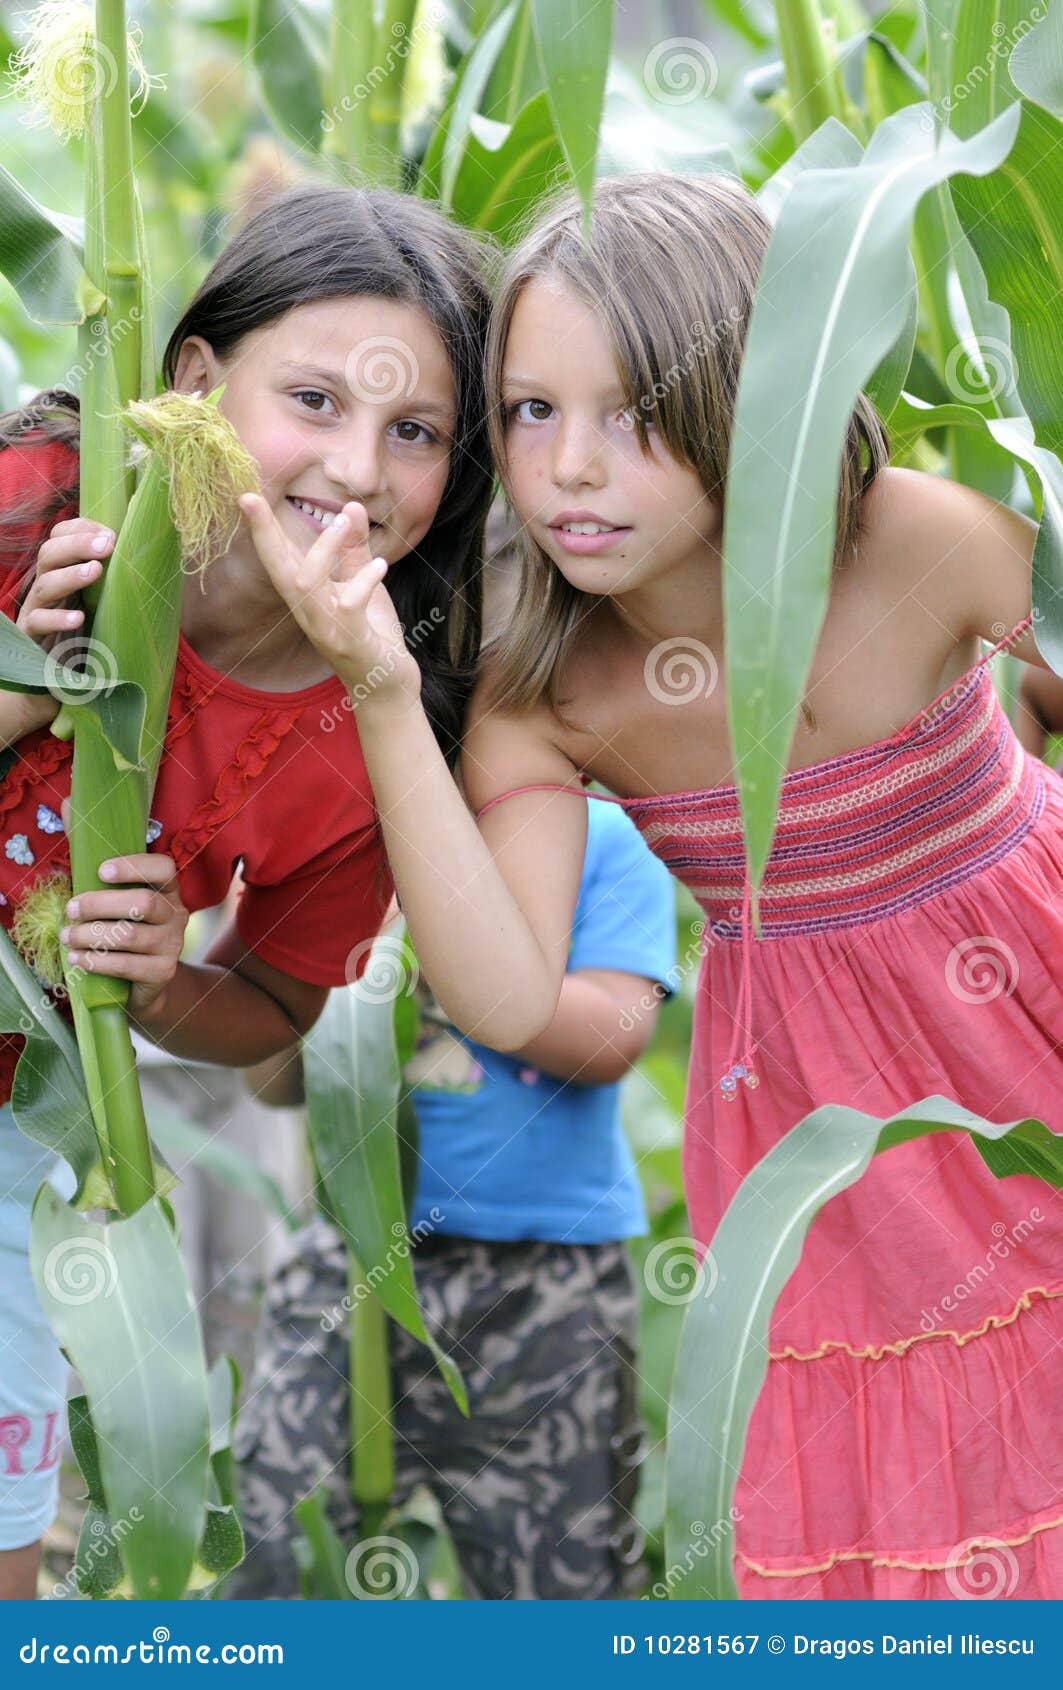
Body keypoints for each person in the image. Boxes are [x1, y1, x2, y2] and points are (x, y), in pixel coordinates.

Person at [249, 172, 1063, 1599]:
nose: (565, 469)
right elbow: (503, 990)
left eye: (630, 416)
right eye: (528, 411)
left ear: (749, 398)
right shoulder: (550, 691)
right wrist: (381, 688)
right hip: (825, 1146)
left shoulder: (920, 541)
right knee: (922, 1520)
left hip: (1026, 1003)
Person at [0, 182, 492, 1598]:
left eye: (413, 432)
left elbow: (272, 1000)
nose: (355, 465)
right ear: (197, 381)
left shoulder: (374, 723)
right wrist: (20, 686)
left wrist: (162, 983)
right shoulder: (44, 501)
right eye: (316, 400)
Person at [225, 796, 676, 1600]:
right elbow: (272, 1082)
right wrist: (310, 959)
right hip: (353, 1265)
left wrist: (452, 942)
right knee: (272, 1552)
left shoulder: (598, 834)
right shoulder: (337, 837)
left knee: (563, 1585)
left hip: (545, 1294)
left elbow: (613, 1037)